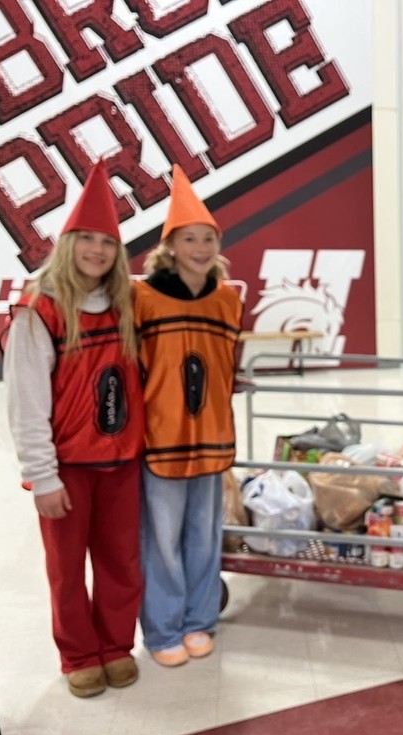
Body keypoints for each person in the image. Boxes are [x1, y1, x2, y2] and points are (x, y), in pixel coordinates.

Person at [2, 160, 144, 698]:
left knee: (121, 563)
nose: (97, 251)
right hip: (67, 469)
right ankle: (80, 654)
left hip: (122, 463)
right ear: (67, 244)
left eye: (107, 242)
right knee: (66, 570)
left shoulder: (127, 304)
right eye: (87, 239)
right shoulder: (40, 310)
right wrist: (42, 476)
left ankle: (115, 646)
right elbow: (26, 402)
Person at [135, 166, 243, 668]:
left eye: (208, 238)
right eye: (189, 238)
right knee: (161, 540)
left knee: (204, 536)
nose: (200, 247)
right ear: (171, 246)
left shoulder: (227, 300)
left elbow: (226, 363)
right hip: (162, 437)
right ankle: (163, 629)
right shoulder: (143, 298)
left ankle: (200, 621)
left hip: (212, 437)